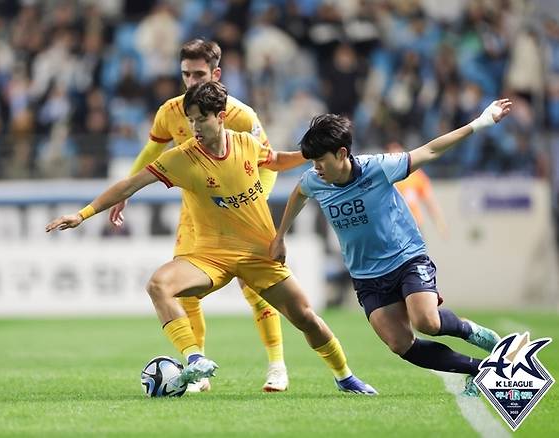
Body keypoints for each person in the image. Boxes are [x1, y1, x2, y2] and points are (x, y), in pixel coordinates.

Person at [46, 82, 377, 395]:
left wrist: (313, 154)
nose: (194, 127)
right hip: (210, 257)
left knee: (307, 319)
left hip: (258, 254)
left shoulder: (246, 143)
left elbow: (275, 160)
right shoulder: (182, 159)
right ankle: (194, 358)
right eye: (190, 120)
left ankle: (345, 377)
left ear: (220, 117)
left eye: (201, 119)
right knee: (159, 285)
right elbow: (130, 184)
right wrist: (83, 214)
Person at [270, 99, 513, 396]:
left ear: (342, 153)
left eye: (321, 160)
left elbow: (431, 150)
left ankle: (472, 331)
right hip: (366, 276)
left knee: (427, 322)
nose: (316, 168)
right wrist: (280, 236)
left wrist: (481, 122)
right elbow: (298, 194)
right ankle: (480, 369)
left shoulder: (380, 167)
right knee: (400, 344)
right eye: (312, 162)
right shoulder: (315, 180)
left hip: (406, 258)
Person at [108, 39, 288, 392]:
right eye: (185, 74)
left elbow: (270, 163)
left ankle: (277, 365)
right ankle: (198, 370)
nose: (191, 81)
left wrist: (254, 201)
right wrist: (126, 190)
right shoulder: (171, 111)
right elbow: (152, 150)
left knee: (255, 287)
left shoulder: (242, 116)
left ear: (216, 74)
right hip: (196, 216)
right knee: (184, 291)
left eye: (199, 74)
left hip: (244, 215)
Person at [385, 141, 448, 238]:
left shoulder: (415, 175)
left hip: (414, 224)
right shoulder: (384, 177)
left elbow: (428, 200)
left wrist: (439, 222)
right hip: (394, 227)